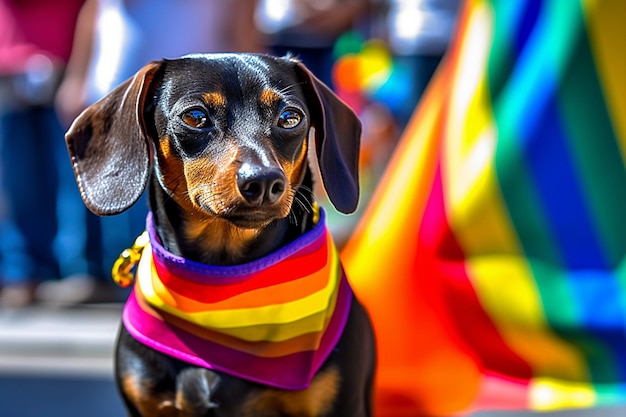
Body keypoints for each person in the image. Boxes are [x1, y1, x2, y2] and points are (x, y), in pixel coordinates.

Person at [46, 0, 261, 305]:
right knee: (104, 187)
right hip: (112, 87)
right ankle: (102, 275)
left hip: (189, 103)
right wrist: (78, 75)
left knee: (158, 203)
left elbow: (243, 21)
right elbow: (95, 9)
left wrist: (245, 89)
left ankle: (158, 286)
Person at [0, 0, 85, 308]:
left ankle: (76, 269)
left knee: (72, 172)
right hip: (8, 62)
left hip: (66, 59)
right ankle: (22, 271)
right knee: (15, 180)